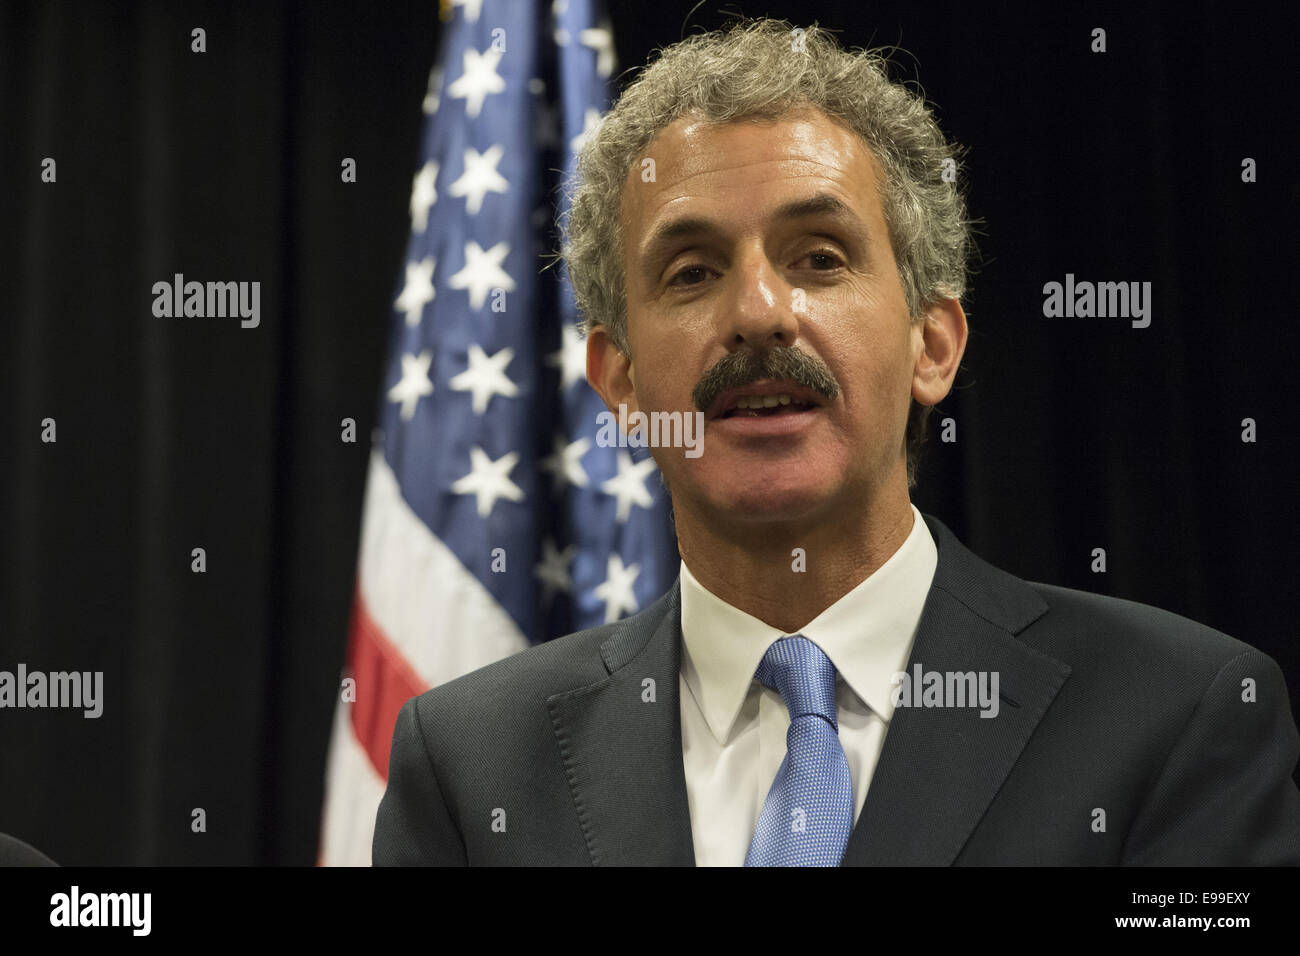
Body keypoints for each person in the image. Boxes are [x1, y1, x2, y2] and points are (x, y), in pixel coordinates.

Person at [372, 17, 1300, 865]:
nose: (759, 313)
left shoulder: (1176, 716)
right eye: (692, 272)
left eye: (819, 256)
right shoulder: (469, 768)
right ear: (617, 381)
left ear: (931, 345)